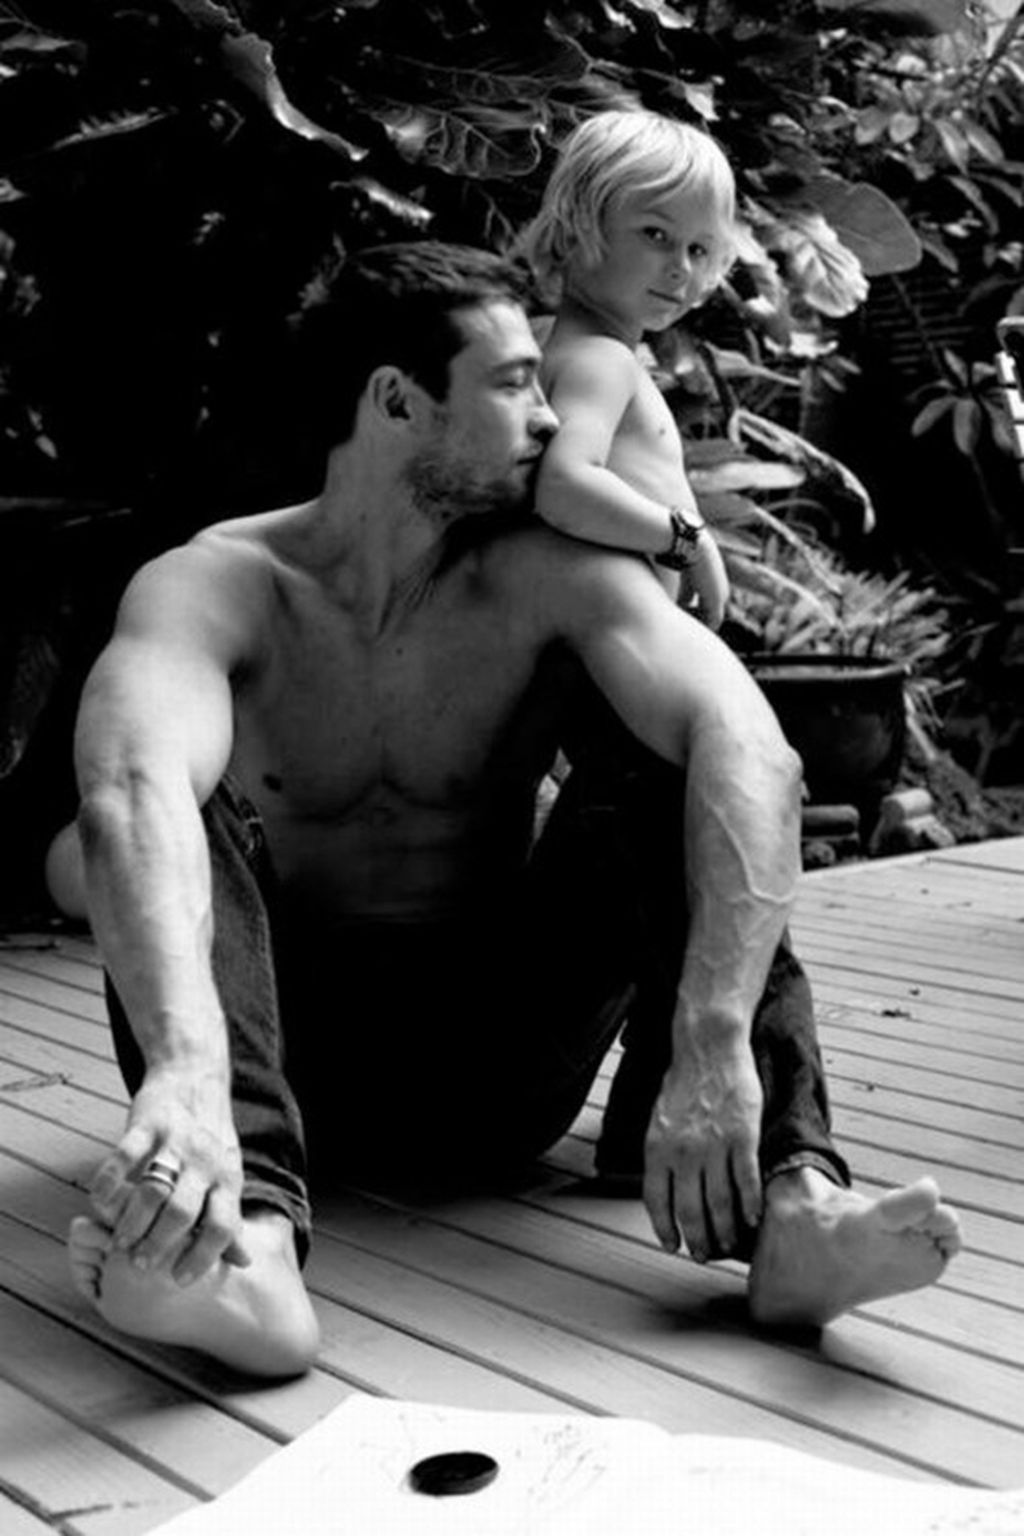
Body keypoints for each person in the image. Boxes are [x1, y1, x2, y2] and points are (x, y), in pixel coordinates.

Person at [62, 240, 960, 1379]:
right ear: (397, 401)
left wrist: (711, 1041)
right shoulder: (214, 585)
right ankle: (248, 1253)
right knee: (173, 805)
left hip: (495, 1065)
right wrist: (187, 1073)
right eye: (514, 382)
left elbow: (751, 750)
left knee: (677, 768)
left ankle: (795, 1207)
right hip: (279, 1066)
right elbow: (129, 795)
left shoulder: (552, 576)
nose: (549, 417)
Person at [519, 108, 732, 628]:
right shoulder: (603, 360)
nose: (681, 267)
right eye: (656, 234)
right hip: (607, 636)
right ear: (572, 234)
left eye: (699, 248)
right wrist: (688, 540)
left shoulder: (556, 346)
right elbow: (563, 486)